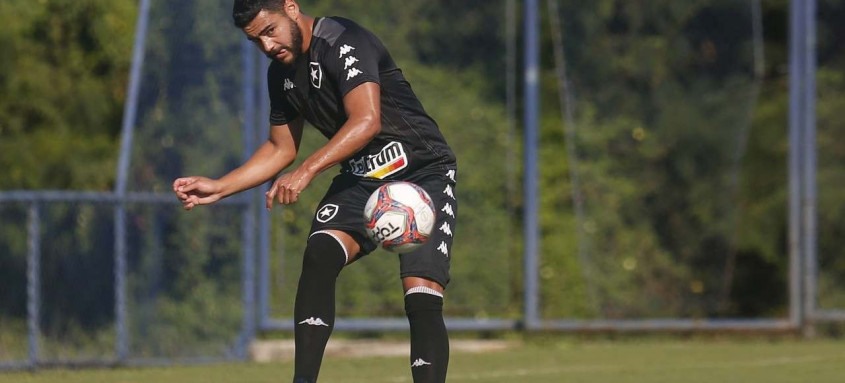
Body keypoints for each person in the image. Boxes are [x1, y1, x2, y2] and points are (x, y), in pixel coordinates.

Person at [172, 1, 457, 382]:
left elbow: (367, 120)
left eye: (269, 30)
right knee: (319, 253)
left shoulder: (344, 41)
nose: (267, 46)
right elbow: (280, 149)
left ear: (290, 8)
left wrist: (307, 171)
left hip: (423, 170)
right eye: (255, 41)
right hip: (363, 177)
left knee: (420, 292)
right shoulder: (282, 75)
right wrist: (220, 186)